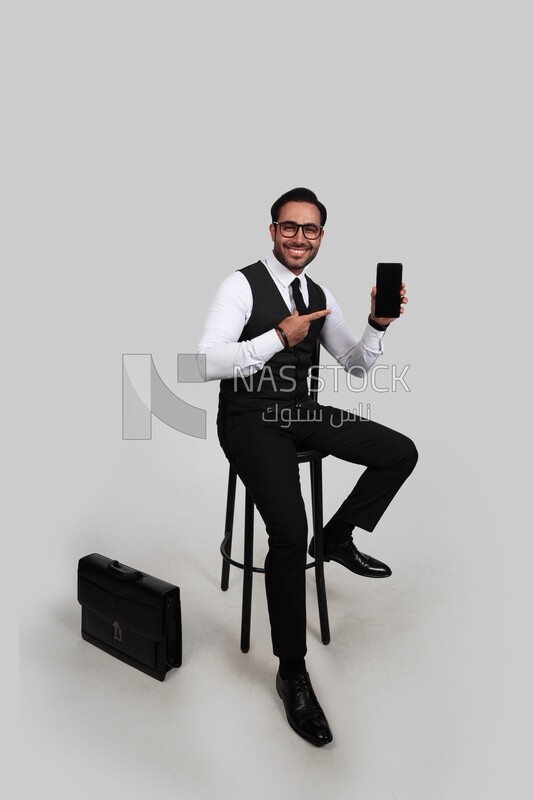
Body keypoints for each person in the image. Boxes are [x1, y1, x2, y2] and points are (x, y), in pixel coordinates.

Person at [197, 187, 418, 747]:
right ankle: (291, 671)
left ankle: (337, 536)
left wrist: (379, 323)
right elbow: (205, 361)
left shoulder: (319, 293)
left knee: (400, 452)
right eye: (290, 227)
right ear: (272, 231)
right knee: (288, 534)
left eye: (311, 230)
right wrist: (277, 337)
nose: (300, 238)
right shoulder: (240, 285)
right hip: (249, 417)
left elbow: (358, 364)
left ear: (321, 237)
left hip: (302, 411)